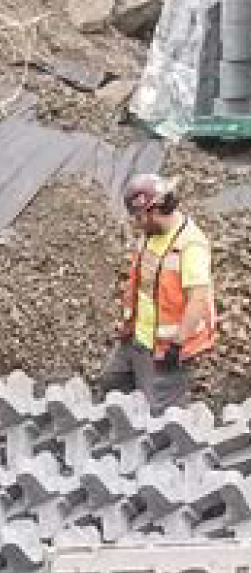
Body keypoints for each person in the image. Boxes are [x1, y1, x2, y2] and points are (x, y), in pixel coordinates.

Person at [104, 173, 215, 412]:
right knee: (113, 382)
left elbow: (198, 301)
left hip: (167, 348)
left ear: (153, 211)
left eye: (139, 217)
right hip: (138, 338)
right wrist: (128, 324)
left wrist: (176, 347)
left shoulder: (190, 245)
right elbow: (143, 285)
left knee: (160, 413)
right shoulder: (150, 235)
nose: (136, 223)